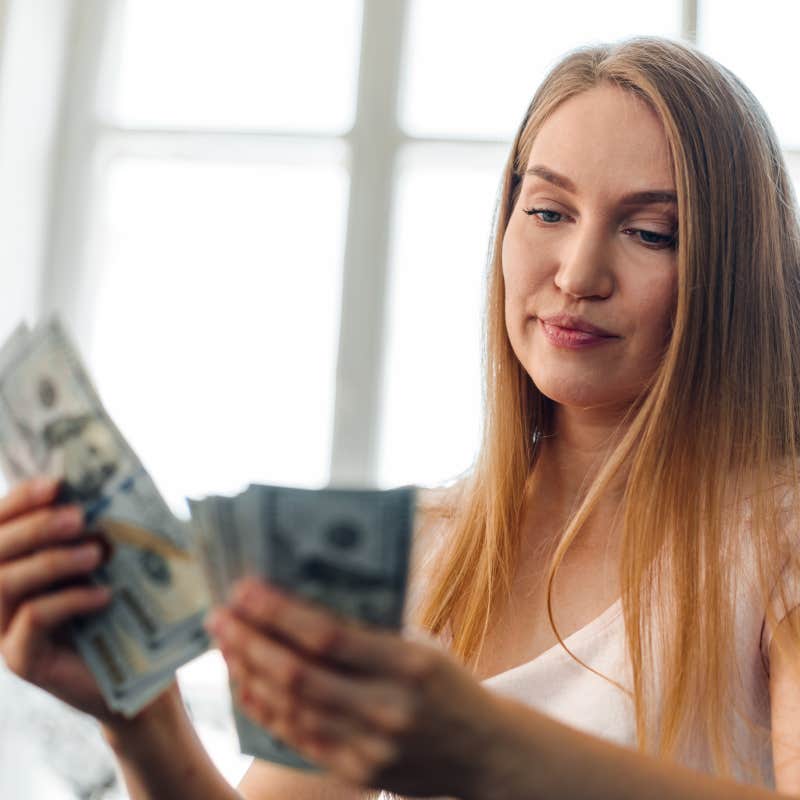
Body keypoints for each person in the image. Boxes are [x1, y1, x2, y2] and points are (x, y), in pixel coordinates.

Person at [1, 34, 799, 799]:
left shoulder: (779, 537)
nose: (579, 273)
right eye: (549, 212)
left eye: (649, 232)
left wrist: (486, 744)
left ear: (734, 274)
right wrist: (140, 719)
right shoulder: (421, 548)